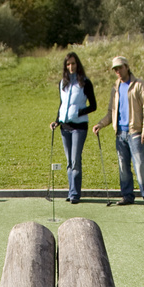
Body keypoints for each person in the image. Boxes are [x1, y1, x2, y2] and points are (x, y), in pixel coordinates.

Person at [93, 55, 144, 208]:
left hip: (135, 132)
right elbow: (111, 112)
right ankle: (127, 196)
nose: (118, 71)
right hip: (120, 134)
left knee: (140, 166)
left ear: (127, 67)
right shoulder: (115, 88)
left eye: (120, 68)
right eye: (115, 69)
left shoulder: (138, 85)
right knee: (123, 168)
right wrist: (100, 124)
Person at [50, 52, 97, 204]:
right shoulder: (62, 83)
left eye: (73, 63)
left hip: (79, 127)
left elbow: (93, 106)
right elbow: (62, 105)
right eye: (68, 64)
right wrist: (57, 121)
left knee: (75, 160)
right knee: (69, 162)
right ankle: (71, 192)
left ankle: (75, 194)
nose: (71, 66)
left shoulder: (85, 83)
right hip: (65, 127)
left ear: (78, 65)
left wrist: (78, 112)